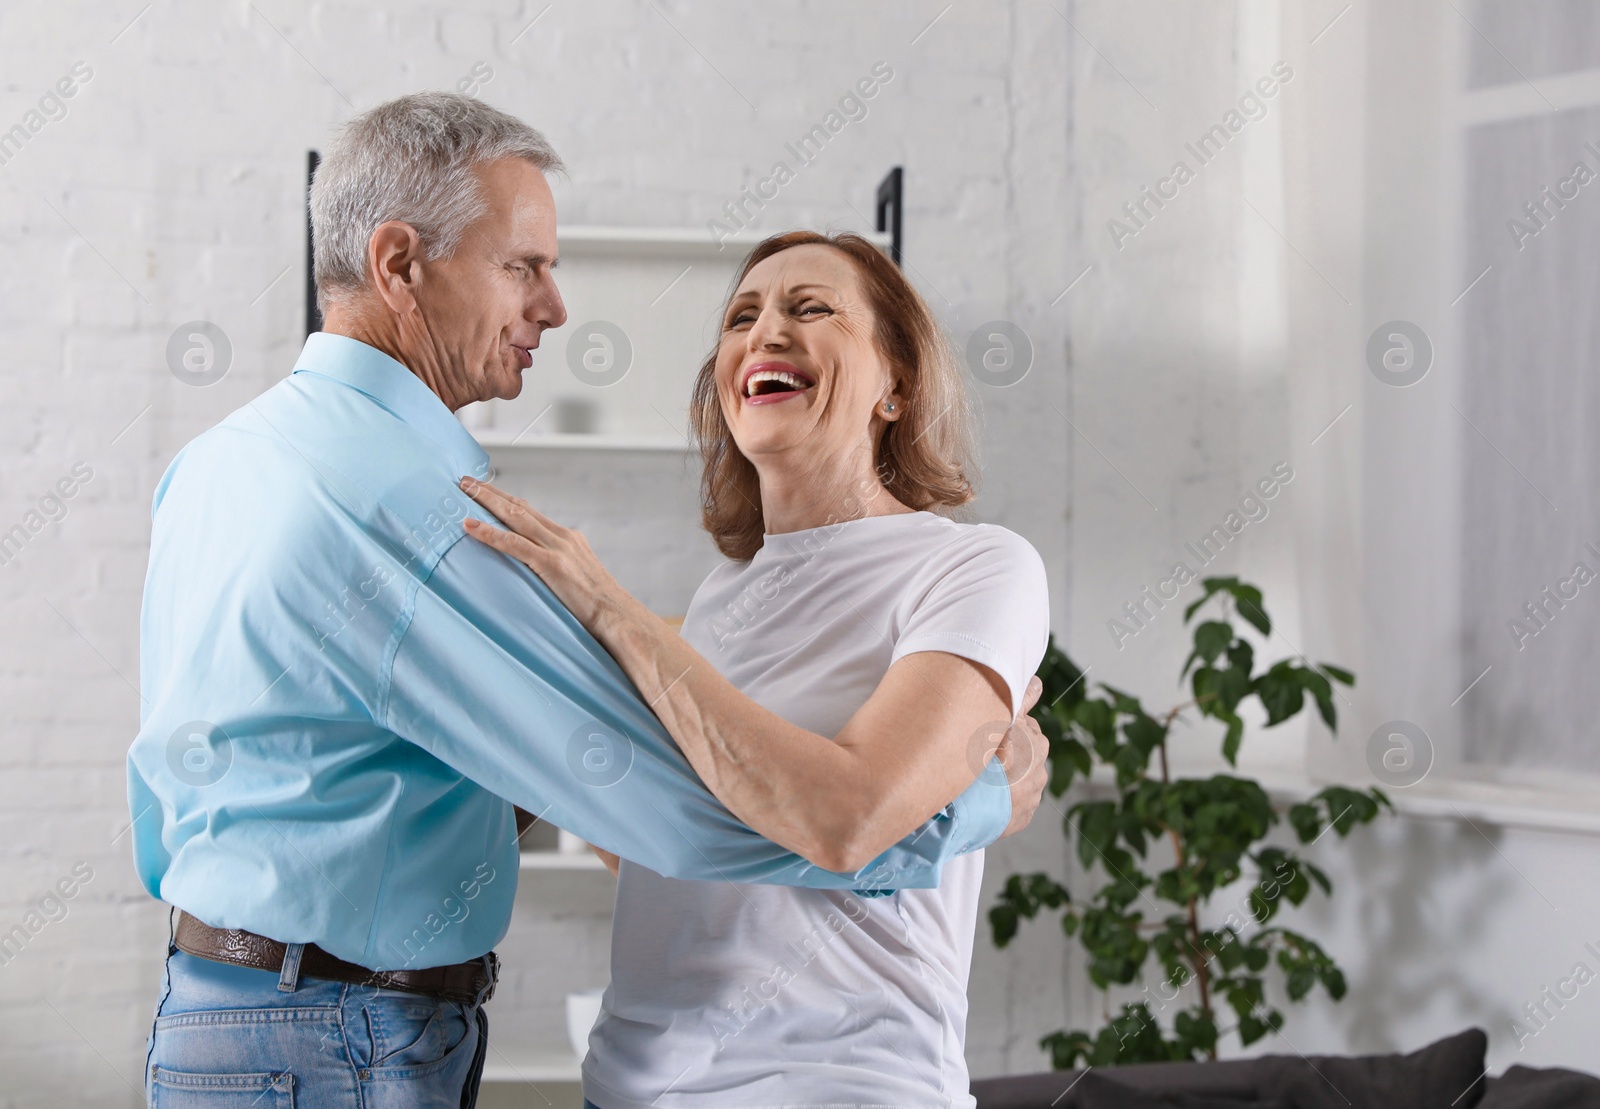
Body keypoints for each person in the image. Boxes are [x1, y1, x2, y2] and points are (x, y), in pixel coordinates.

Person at [125, 92, 1047, 1109]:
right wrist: (967, 803)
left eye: (810, 308)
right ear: (398, 265)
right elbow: (693, 815)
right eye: (521, 265)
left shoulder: (218, 463)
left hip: (220, 1007)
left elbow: (506, 773)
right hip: (343, 1041)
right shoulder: (424, 510)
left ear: (897, 383)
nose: (554, 307)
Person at [460, 229, 1052, 1109]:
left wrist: (610, 610)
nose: (764, 333)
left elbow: (847, 818)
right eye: (743, 317)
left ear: (895, 383)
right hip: (633, 1087)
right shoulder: (719, 597)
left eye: (810, 309)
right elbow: (668, 850)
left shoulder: (975, 569)